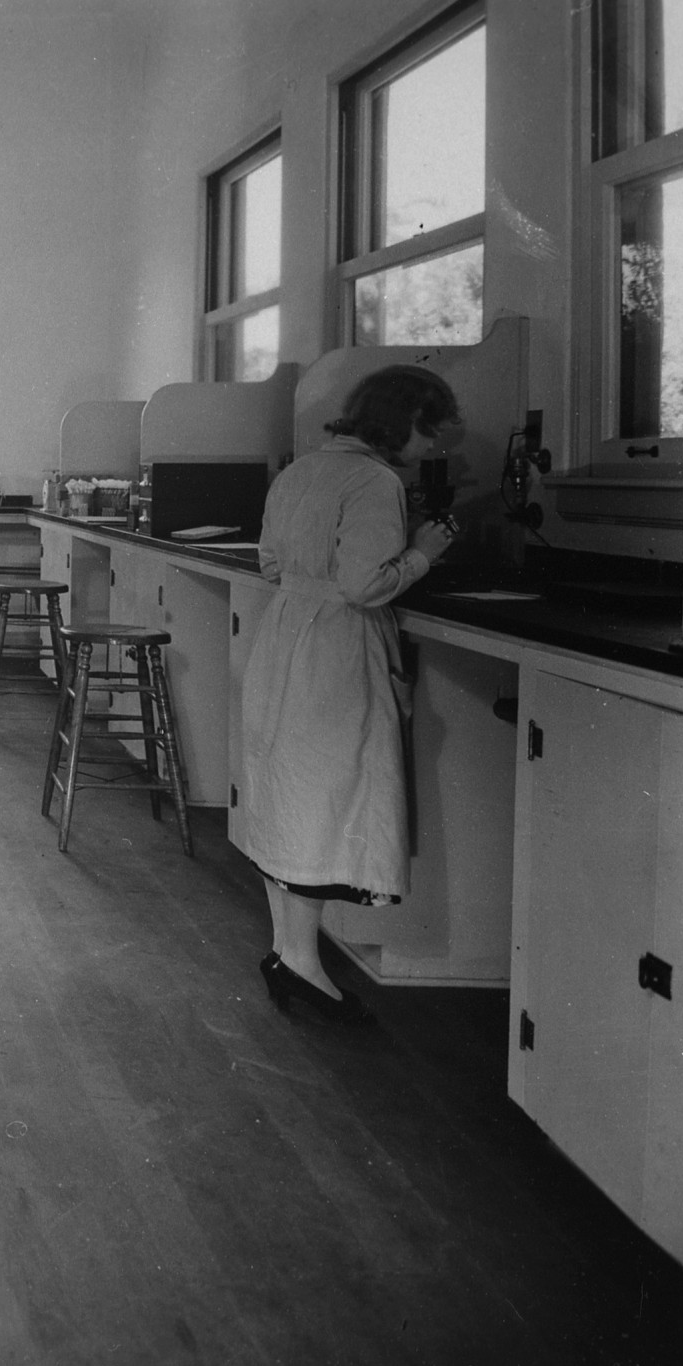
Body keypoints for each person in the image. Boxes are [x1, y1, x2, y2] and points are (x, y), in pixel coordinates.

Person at [234, 364, 460, 1026]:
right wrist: (424, 551)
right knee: (324, 803)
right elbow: (367, 584)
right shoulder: (375, 480)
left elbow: (271, 563)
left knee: (290, 799)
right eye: (430, 433)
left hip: (284, 637)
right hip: (338, 646)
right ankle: (302, 963)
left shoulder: (300, 471)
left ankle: (286, 951)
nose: (433, 450)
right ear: (403, 424)